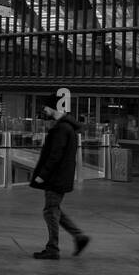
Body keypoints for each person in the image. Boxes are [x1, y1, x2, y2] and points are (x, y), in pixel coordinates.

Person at [29, 102, 90, 260]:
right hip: (62, 176)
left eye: (45, 107)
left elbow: (55, 155)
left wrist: (43, 174)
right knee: (54, 209)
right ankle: (79, 237)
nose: (44, 110)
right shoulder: (67, 127)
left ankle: (53, 248)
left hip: (56, 177)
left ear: (51, 108)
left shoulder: (62, 128)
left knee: (50, 211)